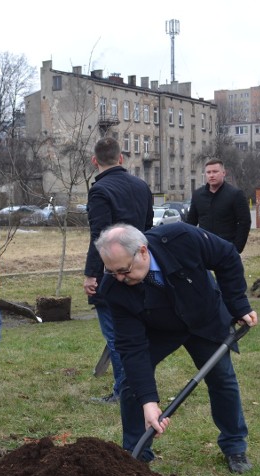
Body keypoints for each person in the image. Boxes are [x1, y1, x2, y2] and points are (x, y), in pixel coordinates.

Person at [95, 223, 258, 473]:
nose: (119, 278)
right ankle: (136, 453)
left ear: (143, 251)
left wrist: (239, 304)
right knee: (131, 382)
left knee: (222, 378)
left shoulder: (181, 239)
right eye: (112, 271)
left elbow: (227, 256)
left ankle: (234, 446)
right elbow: (131, 347)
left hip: (202, 316)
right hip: (158, 328)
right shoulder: (114, 288)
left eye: (123, 270)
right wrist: (149, 401)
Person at [83, 137, 154, 404]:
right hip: (141, 268)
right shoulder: (141, 186)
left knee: (116, 335)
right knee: (136, 332)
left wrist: (92, 275)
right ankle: (140, 386)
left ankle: (123, 391)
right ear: (121, 158)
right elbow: (148, 230)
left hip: (112, 272)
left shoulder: (100, 191)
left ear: (95, 161)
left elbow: (98, 237)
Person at [186, 158, 252, 253]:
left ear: (223, 173)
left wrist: (236, 248)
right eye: (208, 172)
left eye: (215, 172)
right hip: (203, 248)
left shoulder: (235, 194)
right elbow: (190, 223)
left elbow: (244, 222)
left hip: (226, 248)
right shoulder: (197, 195)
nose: (211, 175)